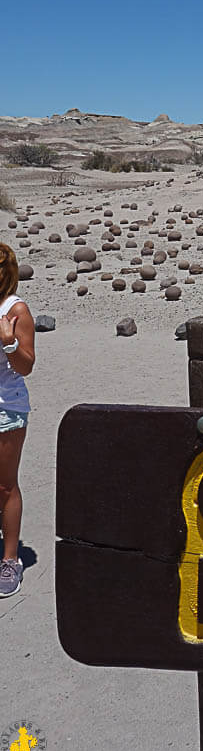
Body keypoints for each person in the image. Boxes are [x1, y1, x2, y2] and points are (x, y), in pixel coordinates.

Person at [0, 244, 35, 597]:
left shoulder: (15, 311)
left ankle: (11, 559)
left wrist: (9, 344)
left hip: (6, 408)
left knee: (4, 486)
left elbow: (26, 365)